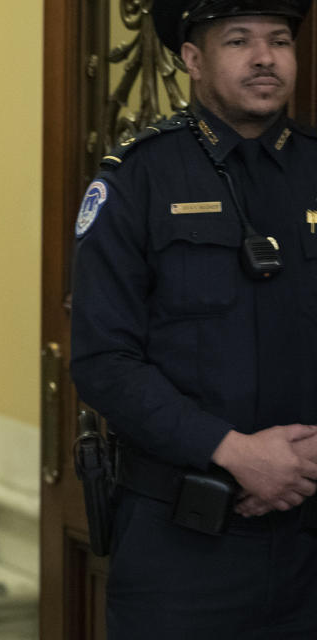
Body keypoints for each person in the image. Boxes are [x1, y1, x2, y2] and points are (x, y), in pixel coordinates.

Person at [70, 0, 317, 637]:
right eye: (239, 40)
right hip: (182, 546)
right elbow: (104, 362)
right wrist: (235, 452)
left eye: (280, 40)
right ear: (191, 59)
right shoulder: (137, 179)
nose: (265, 57)